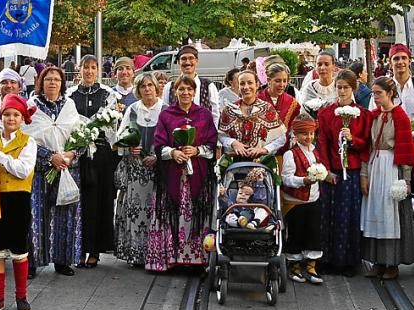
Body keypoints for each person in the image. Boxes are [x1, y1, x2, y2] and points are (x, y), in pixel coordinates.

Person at [0, 93, 38, 310]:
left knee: (19, 251)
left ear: (22, 119)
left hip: (18, 200)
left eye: (15, 115)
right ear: (0, 117)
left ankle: (22, 297)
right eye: (7, 114)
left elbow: (23, 170)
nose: (11, 118)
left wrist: (1, 156)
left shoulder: (28, 143)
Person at [150, 76, 219, 272]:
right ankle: (172, 258)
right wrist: (173, 152)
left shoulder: (204, 115)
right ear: (175, 92)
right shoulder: (166, 115)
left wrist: (196, 151)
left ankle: (196, 259)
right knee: (172, 214)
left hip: (197, 174)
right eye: (181, 89)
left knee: (195, 215)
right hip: (173, 174)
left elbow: (212, 145)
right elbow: (158, 145)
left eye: (189, 89)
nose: (185, 93)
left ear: (195, 92)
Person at [25, 65, 84, 276]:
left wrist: (70, 154)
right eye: (48, 79)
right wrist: (50, 156)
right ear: (41, 82)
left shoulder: (69, 105)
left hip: (66, 168)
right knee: (36, 215)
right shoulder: (32, 105)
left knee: (65, 214)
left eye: (56, 79)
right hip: (41, 169)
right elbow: (26, 138)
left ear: (62, 83)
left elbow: (81, 135)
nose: (52, 83)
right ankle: (32, 262)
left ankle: (63, 260)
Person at [359, 77, 414, 279]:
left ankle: (392, 262)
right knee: (374, 210)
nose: (375, 97)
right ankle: (376, 260)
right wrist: (364, 174)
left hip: (392, 166)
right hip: (376, 165)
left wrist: (406, 179)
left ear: (390, 93)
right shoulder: (373, 116)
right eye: (373, 93)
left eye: (379, 93)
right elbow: (367, 145)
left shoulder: (400, 117)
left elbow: (406, 147)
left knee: (391, 213)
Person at [316, 69, 370, 277]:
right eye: (339, 87)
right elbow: (322, 142)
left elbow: (366, 144)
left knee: (349, 216)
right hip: (333, 169)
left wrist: (353, 140)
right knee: (329, 214)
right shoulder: (326, 113)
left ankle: (349, 260)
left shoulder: (363, 114)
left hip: (353, 171)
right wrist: (327, 169)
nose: (342, 91)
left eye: (346, 88)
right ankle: (328, 258)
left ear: (353, 89)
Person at [69, 56, 119, 268]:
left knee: (99, 201)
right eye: (85, 68)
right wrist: (81, 132)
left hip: (100, 154)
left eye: (92, 68)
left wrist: (92, 129)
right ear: (79, 70)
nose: (89, 71)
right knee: (79, 203)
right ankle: (79, 248)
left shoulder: (107, 94)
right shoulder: (70, 95)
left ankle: (95, 249)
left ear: (98, 70)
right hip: (78, 153)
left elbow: (111, 123)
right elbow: (68, 119)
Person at [113, 72, 163, 267]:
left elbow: (171, 139)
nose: (147, 89)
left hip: (157, 170)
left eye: (150, 85)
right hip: (135, 170)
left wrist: (158, 156)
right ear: (138, 90)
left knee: (155, 211)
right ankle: (135, 253)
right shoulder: (133, 109)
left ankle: (154, 252)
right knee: (134, 212)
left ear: (156, 88)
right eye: (143, 86)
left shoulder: (165, 110)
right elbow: (120, 136)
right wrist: (129, 147)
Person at [281, 115, 326, 284]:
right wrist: (303, 181)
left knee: (313, 232)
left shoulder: (314, 150)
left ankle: (311, 266)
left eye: (311, 133)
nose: (308, 137)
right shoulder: (290, 154)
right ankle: (295, 266)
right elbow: (286, 179)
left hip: (313, 199)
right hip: (296, 202)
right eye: (304, 134)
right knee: (296, 233)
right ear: (296, 135)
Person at [217, 70, 287, 168]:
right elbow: (221, 135)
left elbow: (281, 138)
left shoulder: (267, 108)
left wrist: (264, 149)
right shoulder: (229, 109)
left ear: (257, 85)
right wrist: (233, 143)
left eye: (250, 83)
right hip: (234, 165)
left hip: (261, 164)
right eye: (242, 84)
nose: (246, 87)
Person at [161, 45, 221, 121]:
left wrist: (212, 132)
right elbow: (165, 113)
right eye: (183, 59)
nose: (187, 62)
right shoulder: (169, 87)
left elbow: (215, 113)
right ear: (179, 62)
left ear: (197, 61)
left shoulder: (208, 86)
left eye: (191, 58)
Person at [374, 44, 414, 117]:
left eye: (404, 58)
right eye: (396, 59)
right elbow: (372, 115)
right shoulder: (383, 87)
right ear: (390, 63)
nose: (400, 62)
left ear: (409, 61)